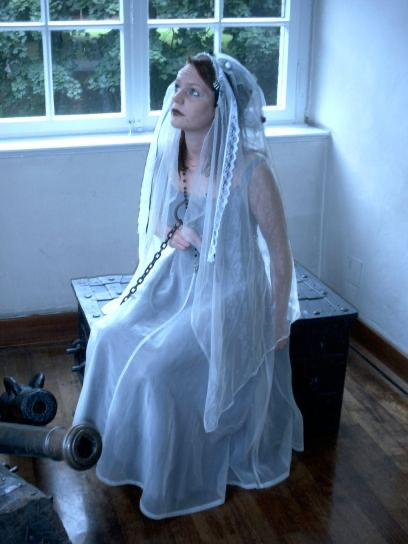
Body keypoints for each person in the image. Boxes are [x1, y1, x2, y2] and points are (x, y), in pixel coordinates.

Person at [73, 52, 303, 520]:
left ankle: (163, 473)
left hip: (230, 292)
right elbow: (158, 218)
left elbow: (280, 255)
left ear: (220, 109)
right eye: (178, 87)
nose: (177, 98)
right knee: (108, 335)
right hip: (175, 278)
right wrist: (171, 231)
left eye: (193, 91)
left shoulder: (251, 170)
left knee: (155, 367)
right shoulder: (171, 152)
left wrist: (278, 322)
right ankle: (102, 441)